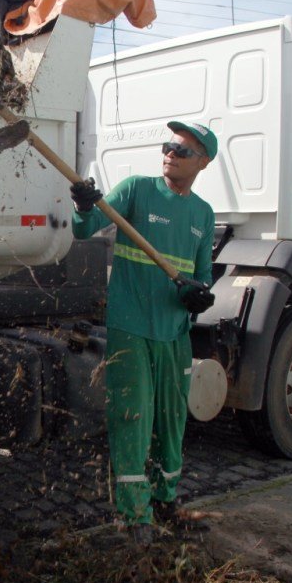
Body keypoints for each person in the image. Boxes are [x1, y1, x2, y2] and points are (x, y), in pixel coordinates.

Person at [70, 121, 217, 545]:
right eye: (168, 145)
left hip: (174, 332)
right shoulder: (136, 190)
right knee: (132, 418)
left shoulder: (202, 214)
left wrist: (198, 297)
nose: (170, 152)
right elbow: (85, 229)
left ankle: (165, 501)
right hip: (131, 327)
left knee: (172, 421)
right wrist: (83, 205)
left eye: (183, 150)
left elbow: (202, 277)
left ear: (203, 162)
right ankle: (134, 517)